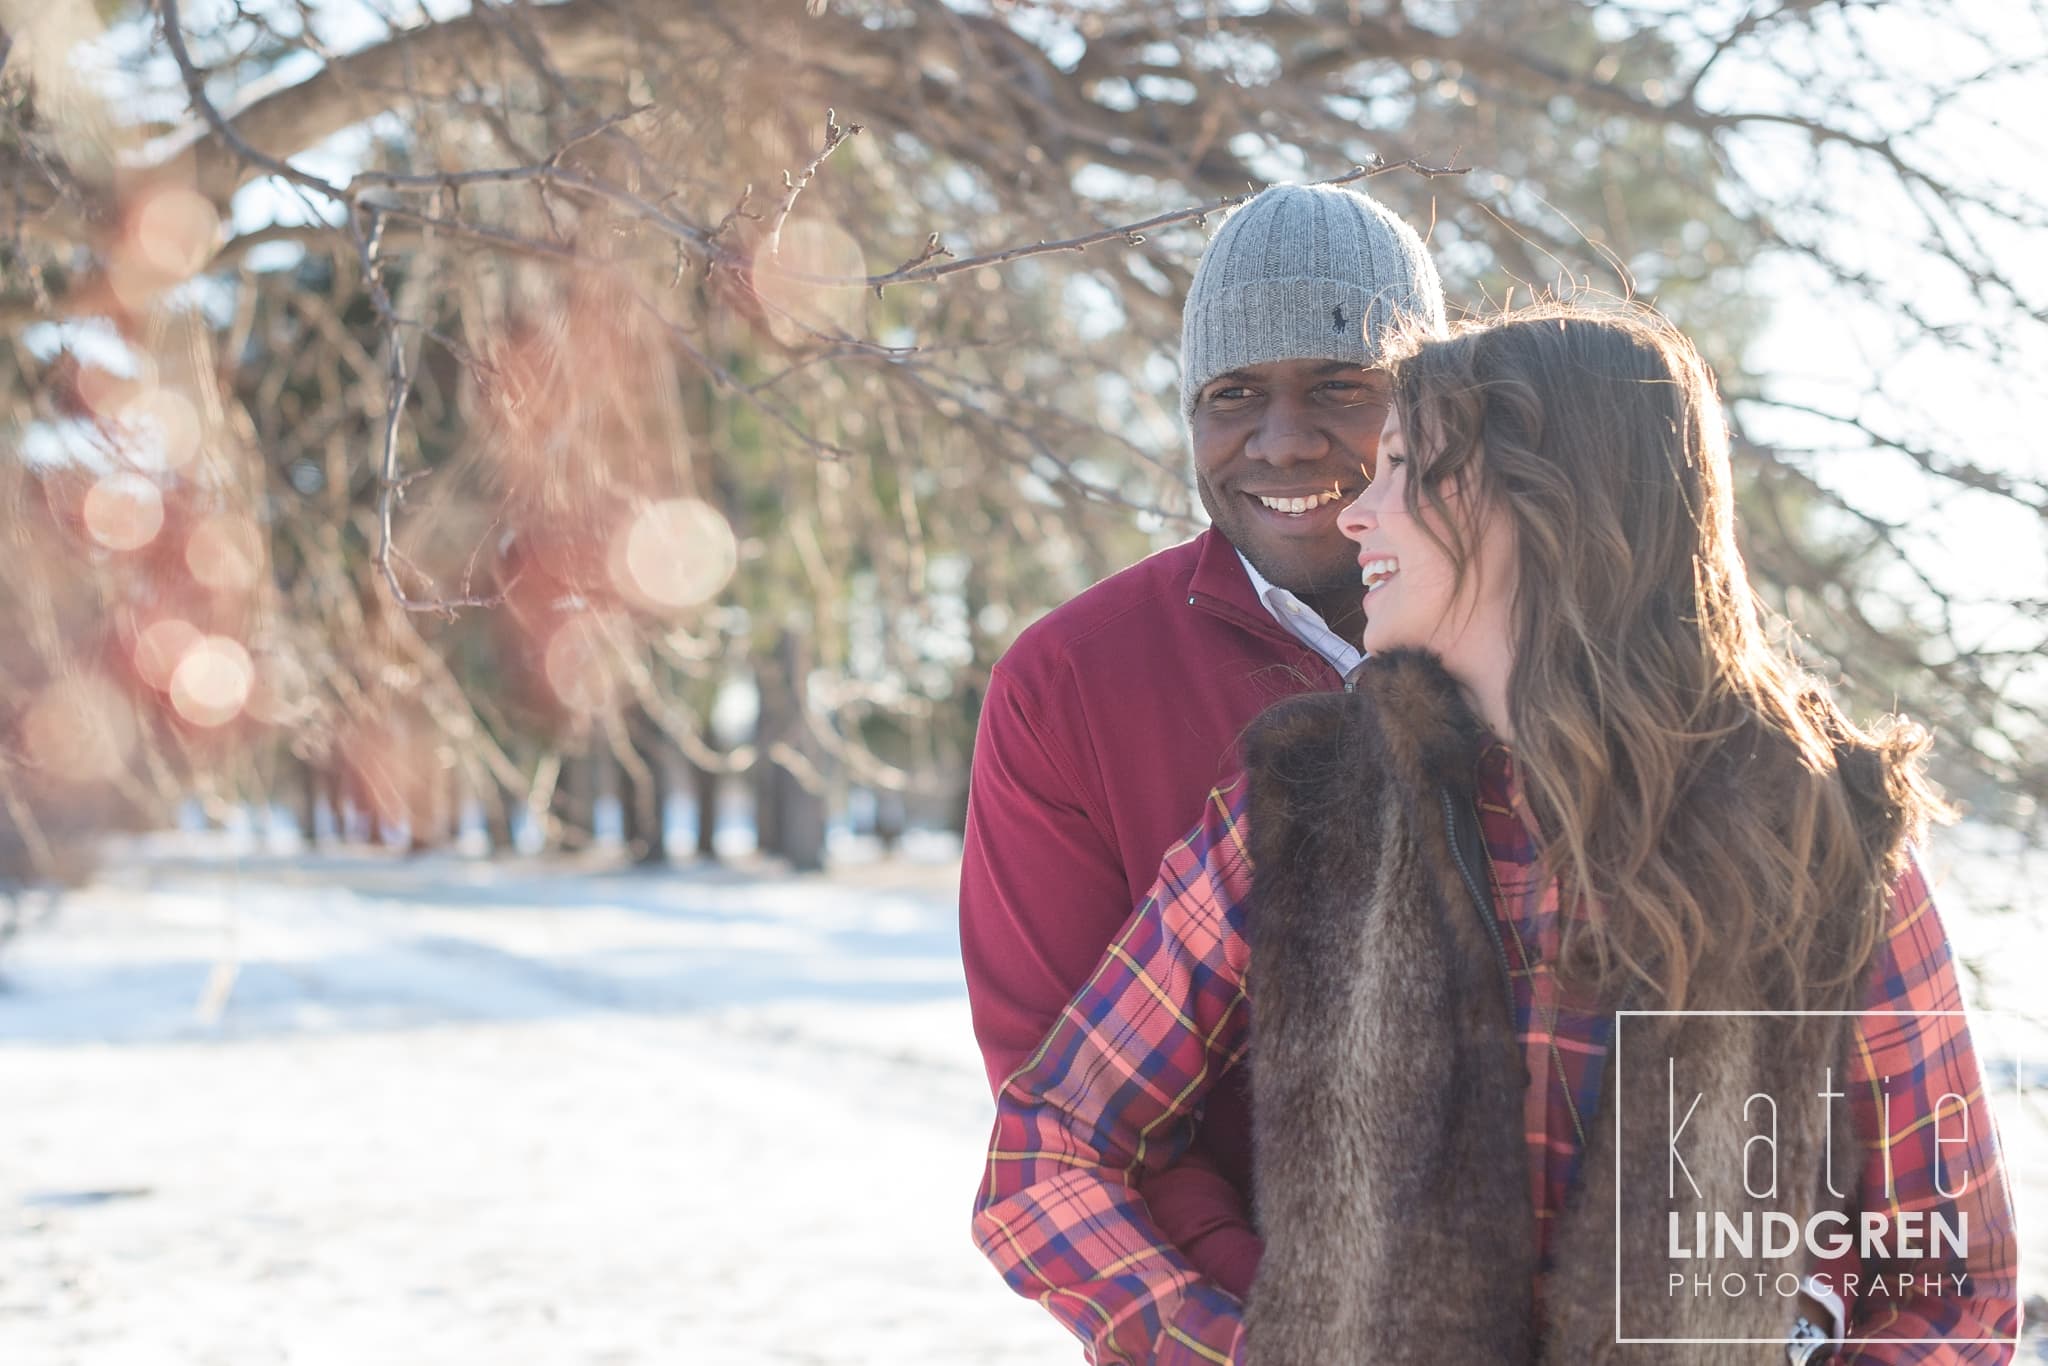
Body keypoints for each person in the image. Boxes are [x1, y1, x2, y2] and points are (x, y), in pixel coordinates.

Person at [971, 305, 2020, 1363]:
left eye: (1401, 471)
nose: (1354, 516)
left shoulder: (1817, 842)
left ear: (1539, 502)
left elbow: (1949, 1290)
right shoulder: (1305, 810)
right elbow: (1044, 1155)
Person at [958, 181, 1445, 1294]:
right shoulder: (1070, 682)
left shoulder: (1529, 654)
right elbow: (1070, 1100)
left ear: (1430, 412)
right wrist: (1271, 1317)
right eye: (1234, 394)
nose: (1283, 441)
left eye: (1339, 386)